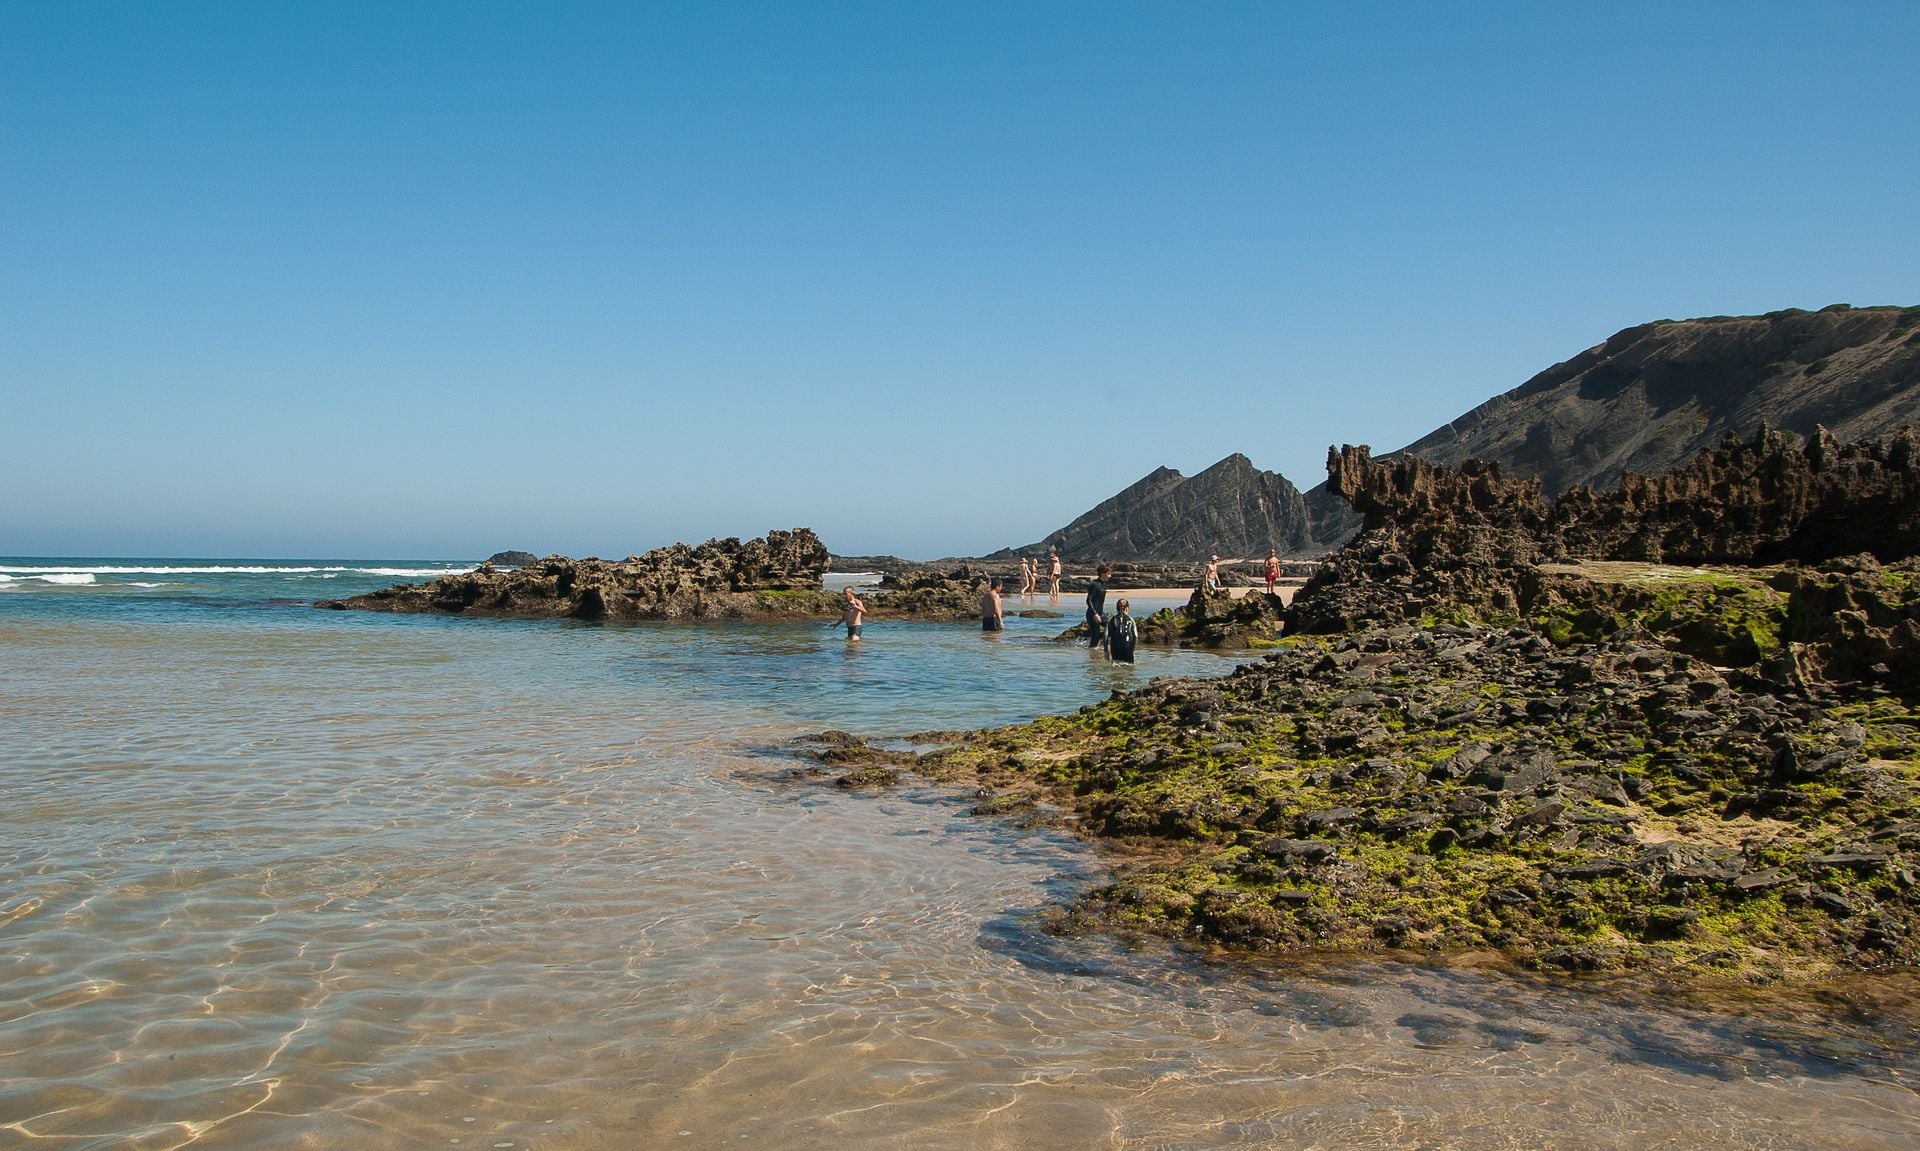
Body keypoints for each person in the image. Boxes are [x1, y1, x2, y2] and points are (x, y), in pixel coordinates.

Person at [1084, 564, 1111, 649]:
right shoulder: (1094, 584)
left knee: (1112, 628)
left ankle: (1099, 643)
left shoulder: (1104, 584)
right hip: (1092, 614)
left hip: (1101, 613)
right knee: (1095, 638)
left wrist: (1099, 614)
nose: (1110, 576)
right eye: (1108, 573)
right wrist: (1095, 614)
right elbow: (1088, 600)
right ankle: (1092, 655)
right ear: (1103, 573)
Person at [1105, 598, 1138, 663]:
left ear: (1116, 608)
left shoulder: (1112, 620)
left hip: (1115, 646)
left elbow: (1106, 636)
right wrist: (1133, 650)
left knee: (1116, 666)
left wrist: (1106, 651)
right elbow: (1135, 636)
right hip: (1127, 646)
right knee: (1129, 667)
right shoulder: (1131, 620)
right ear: (1127, 608)